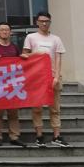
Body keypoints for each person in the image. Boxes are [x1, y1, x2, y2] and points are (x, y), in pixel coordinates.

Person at [22, 11, 68, 148]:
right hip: (37, 77)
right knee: (37, 108)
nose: (44, 23)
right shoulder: (31, 37)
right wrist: (37, 53)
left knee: (55, 108)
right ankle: (39, 136)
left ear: (50, 22)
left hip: (52, 76)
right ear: (37, 22)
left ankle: (56, 136)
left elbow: (58, 59)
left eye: (46, 21)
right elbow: (24, 55)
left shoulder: (56, 39)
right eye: (41, 21)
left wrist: (57, 76)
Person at [0, 22, 27, 148]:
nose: (4, 32)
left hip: (12, 84)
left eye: (7, 30)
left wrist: (24, 58)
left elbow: (19, 64)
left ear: (10, 32)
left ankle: (14, 136)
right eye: (2, 30)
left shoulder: (15, 47)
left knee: (13, 113)